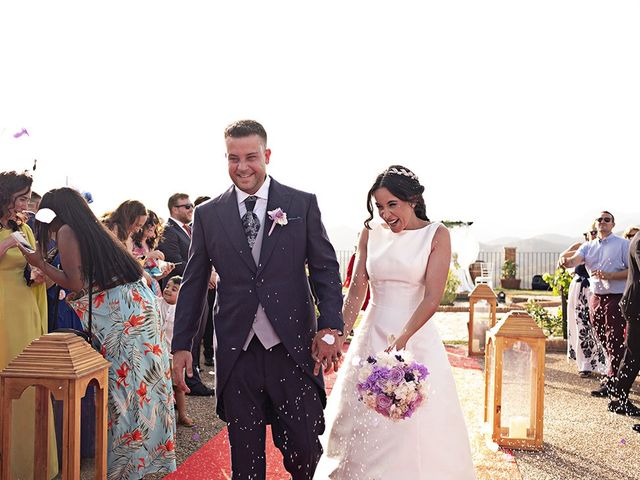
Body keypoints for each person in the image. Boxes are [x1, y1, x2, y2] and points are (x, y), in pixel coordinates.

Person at [171, 119, 344, 480]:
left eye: (251, 156)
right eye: (233, 158)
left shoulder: (301, 204)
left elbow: (326, 270)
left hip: (293, 351)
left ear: (266, 155)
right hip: (239, 353)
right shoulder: (208, 214)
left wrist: (330, 326)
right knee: (245, 465)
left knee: (304, 451)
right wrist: (182, 344)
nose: (242, 166)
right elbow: (194, 281)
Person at [315, 165, 476, 479]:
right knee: (359, 415)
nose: (385, 214)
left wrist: (402, 341)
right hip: (371, 334)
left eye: (392, 205)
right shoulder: (370, 233)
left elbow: (432, 296)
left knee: (413, 424)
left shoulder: (437, 234)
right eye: (379, 206)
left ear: (412, 200)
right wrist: (339, 336)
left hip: (415, 337)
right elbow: (356, 291)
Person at [20, 187, 176, 479]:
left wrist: (40, 264)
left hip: (121, 317)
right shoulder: (90, 228)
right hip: (137, 308)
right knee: (146, 385)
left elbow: (75, 283)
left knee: (124, 392)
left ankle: (125, 469)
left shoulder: (66, 231)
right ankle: (148, 463)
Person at [0, 171, 58, 479]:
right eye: (22, 197)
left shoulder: (26, 226)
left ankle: (29, 464)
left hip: (25, 310)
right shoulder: (10, 232)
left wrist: (41, 273)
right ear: (6, 197)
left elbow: (35, 263)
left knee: (26, 384)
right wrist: (8, 243)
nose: (26, 203)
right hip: (1, 311)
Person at [560, 211, 630, 398]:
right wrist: (565, 261)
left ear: (613, 224)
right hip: (596, 298)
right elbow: (574, 261)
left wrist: (611, 276)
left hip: (615, 297)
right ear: (596, 224)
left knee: (614, 339)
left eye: (607, 219)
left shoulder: (623, 244)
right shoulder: (588, 246)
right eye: (600, 219)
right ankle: (614, 376)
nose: (603, 222)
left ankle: (614, 382)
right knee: (602, 337)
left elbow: (631, 270)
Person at [159, 192, 214, 397]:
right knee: (185, 337)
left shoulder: (189, 230)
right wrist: (204, 271)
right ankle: (189, 381)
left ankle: (193, 376)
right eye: (187, 206)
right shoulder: (168, 230)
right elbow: (175, 262)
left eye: (191, 206)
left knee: (198, 332)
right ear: (175, 209)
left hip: (198, 290)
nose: (192, 209)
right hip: (181, 292)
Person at [561, 226, 607, 377]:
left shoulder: (602, 248)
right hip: (579, 290)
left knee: (597, 326)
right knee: (580, 325)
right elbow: (563, 256)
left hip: (595, 289)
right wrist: (577, 245)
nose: (594, 235)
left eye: (596, 232)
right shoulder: (582, 249)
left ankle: (600, 364)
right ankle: (584, 365)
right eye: (591, 232)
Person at [609, 228, 640, 423]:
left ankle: (617, 398)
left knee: (633, 355)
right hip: (637, 306)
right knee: (633, 354)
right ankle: (618, 399)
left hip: (635, 305)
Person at [159, 275, 194, 427]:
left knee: (178, 386)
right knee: (160, 386)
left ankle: (182, 414)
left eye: (174, 289)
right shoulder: (156, 302)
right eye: (167, 286)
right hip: (158, 353)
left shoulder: (182, 311)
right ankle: (163, 415)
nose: (168, 290)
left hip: (174, 355)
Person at [131, 210, 174, 296]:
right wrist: (148, 256)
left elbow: (151, 276)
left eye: (155, 223)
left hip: (153, 291)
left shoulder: (150, 245)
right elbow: (130, 264)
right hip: (138, 291)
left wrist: (163, 274)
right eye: (149, 223)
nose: (153, 226)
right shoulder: (131, 243)